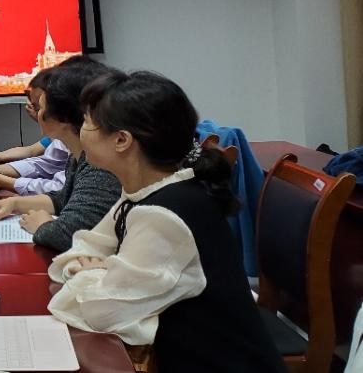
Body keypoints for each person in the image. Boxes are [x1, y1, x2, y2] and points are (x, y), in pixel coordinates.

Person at [47, 71, 284, 372]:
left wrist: (94, 272)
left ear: (121, 140)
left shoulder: (163, 215)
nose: (81, 131)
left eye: (87, 122)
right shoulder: (144, 192)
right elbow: (82, 248)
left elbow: (101, 311)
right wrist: (97, 271)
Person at [0, 58, 122, 251]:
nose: (36, 114)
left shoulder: (100, 164)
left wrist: (42, 226)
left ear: (64, 117)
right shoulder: (79, 156)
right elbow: (63, 198)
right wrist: (13, 202)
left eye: (40, 107)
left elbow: (68, 235)